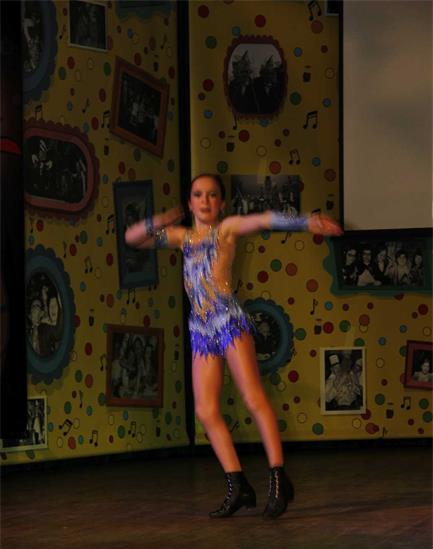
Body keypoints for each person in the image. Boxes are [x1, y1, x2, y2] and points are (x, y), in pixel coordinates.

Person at [125, 173, 342, 518]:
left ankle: (278, 476)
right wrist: (162, 219)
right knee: (205, 410)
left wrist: (306, 222)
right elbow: (132, 238)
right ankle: (237, 484)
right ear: (190, 202)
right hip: (201, 329)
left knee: (253, 398)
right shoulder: (181, 237)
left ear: (222, 203)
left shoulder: (226, 229)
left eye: (212, 195)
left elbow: (264, 219)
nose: (205, 200)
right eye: (198, 194)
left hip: (228, 322)